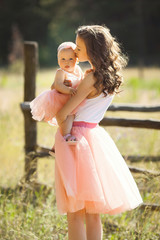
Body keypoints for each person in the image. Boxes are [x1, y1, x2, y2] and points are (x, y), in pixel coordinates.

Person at [55, 25, 143, 240]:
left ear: (91, 49)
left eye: (78, 47)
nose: (74, 51)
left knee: (75, 212)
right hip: (94, 138)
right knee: (93, 214)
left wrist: (55, 108)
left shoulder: (90, 78)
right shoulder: (108, 76)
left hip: (75, 140)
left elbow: (63, 114)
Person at [30, 42, 84, 154]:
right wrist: (68, 90)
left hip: (73, 98)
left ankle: (58, 144)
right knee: (66, 117)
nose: (66, 62)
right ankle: (66, 136)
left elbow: (82, 80)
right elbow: (58, 85)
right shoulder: (61, 72)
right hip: (61, 98)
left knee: (72, 118)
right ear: (58, 60)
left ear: (76, 60)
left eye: (70, 59)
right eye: (62, 59)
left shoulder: (78, 70)